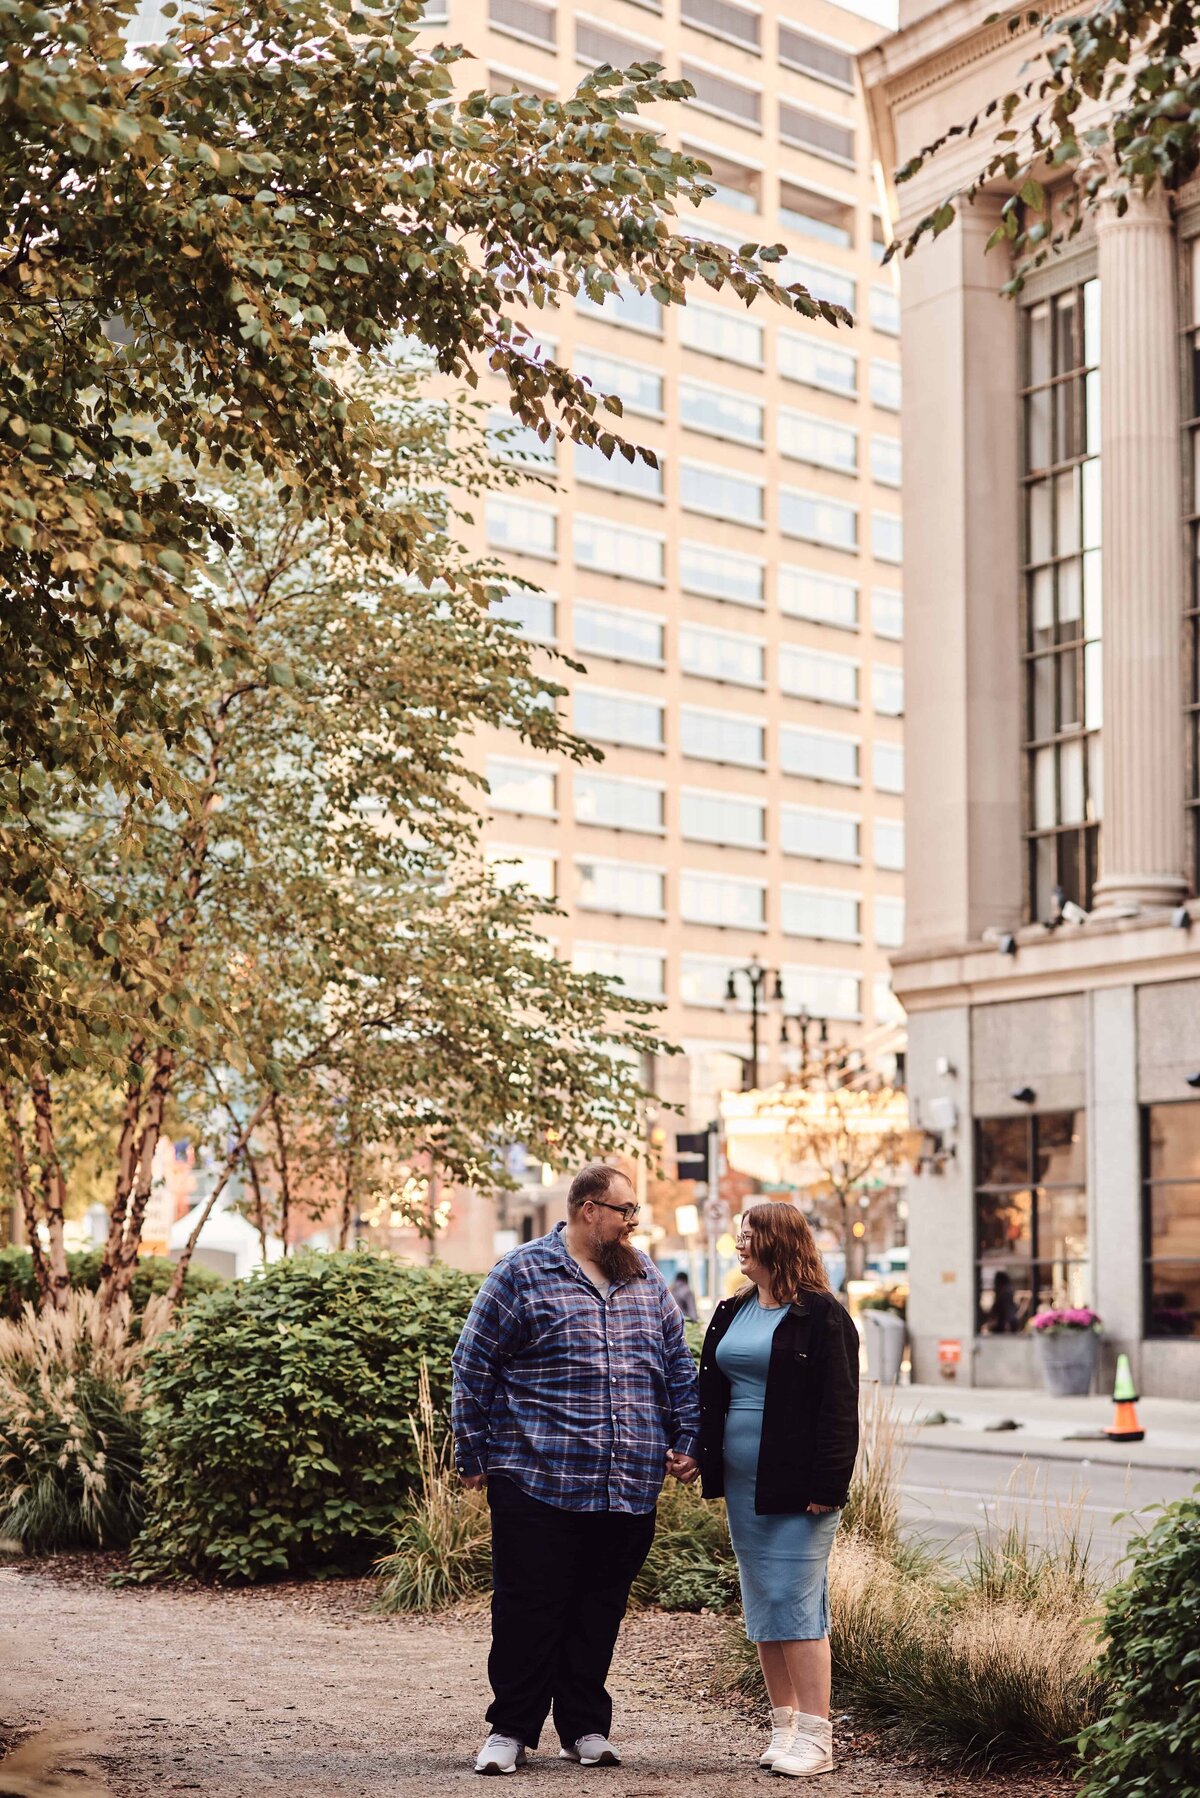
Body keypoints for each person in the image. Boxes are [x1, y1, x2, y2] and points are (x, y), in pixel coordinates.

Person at [452, 1162, 701, 1777]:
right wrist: (472, 1454)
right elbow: (472, 1363)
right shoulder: (522, 1273)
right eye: (625, 1211)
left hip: (628, 1482)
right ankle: (509, 1731)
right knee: (527, 1608)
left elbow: (677, 1367)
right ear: (590, 1209)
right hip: (537, 1476)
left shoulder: (644, 1278)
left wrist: (688, 1438)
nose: (632, 1223)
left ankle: (584, 1727)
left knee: (599, 1607)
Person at [697, 1202, 860, 1780]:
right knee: (764, 1598)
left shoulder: (820, 1315)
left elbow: (840, 1407)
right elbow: (711, 1393)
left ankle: (818, 1738)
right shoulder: (731, 1310)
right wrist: (699, 1454)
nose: (737, 1245)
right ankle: (784, 1726)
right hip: (744, 1483)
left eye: (746, 1236)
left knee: (795, 1599)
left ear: (775, 1242)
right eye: (737, 1236)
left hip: (800, 1487)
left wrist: (828, 1485)